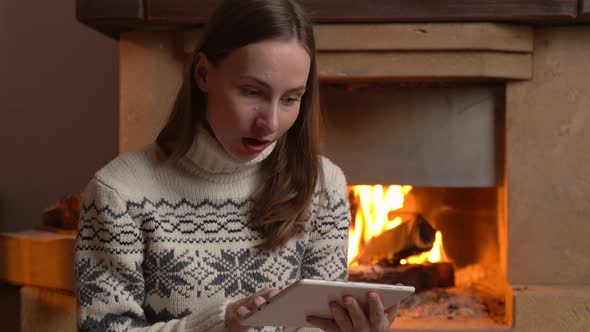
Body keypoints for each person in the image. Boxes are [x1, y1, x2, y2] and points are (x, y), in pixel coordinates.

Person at [74, 0, 398, 331]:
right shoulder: (118, 194)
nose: (270, 123)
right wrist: (218, 325)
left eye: (290, 99)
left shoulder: (323, 185)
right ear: (202, 74)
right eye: (252, 92)